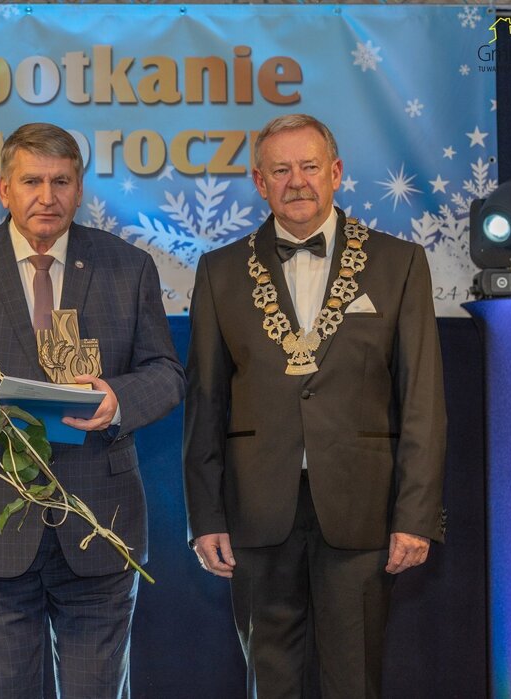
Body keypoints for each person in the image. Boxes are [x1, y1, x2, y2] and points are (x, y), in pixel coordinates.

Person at [0, 122, 184, 698]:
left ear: (80, 189)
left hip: (100, 525)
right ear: (4, 189)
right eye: (31, 182)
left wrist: (118, 400)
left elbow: (167, 373)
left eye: (61, 181)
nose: (47, 197)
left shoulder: (128, 267)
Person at [183, 114, 446, 698]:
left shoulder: (399, 263)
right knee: (269, 684)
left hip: (363, 508)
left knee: (354, 682)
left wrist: (416, 514)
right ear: (259, 182)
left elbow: (423, 401)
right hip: (255, 511)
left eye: (308, 166)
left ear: (336, 173)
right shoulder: (219, 271)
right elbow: (204, 403)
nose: (296, 181)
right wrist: (205, 516)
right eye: (280, 170)